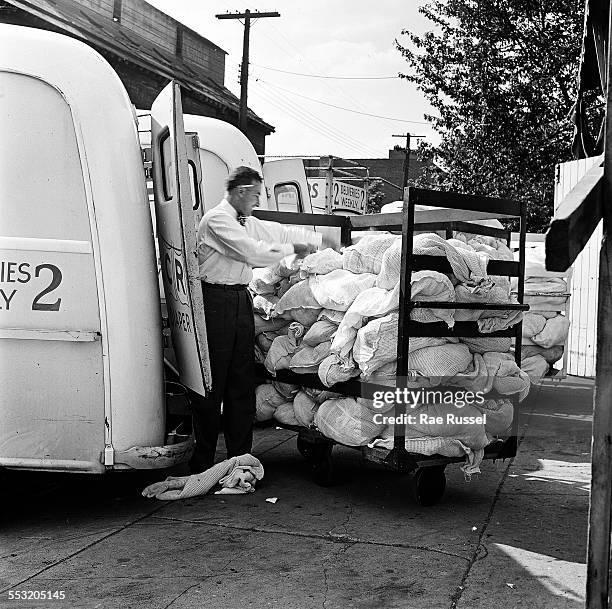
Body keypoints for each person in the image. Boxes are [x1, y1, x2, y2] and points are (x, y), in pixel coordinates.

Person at [191, 165, 322, 472]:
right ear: (240, 192)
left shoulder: (243, 220)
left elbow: (273, 231)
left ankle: (239, 458)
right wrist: (292, 248)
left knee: (241, 379)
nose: (256, 201)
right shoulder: (217, 220)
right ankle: (202, 461)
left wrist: (316, 240)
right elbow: (252, 253)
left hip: (239, 298)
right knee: (213, 383)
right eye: (253, 195)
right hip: (215, 299)